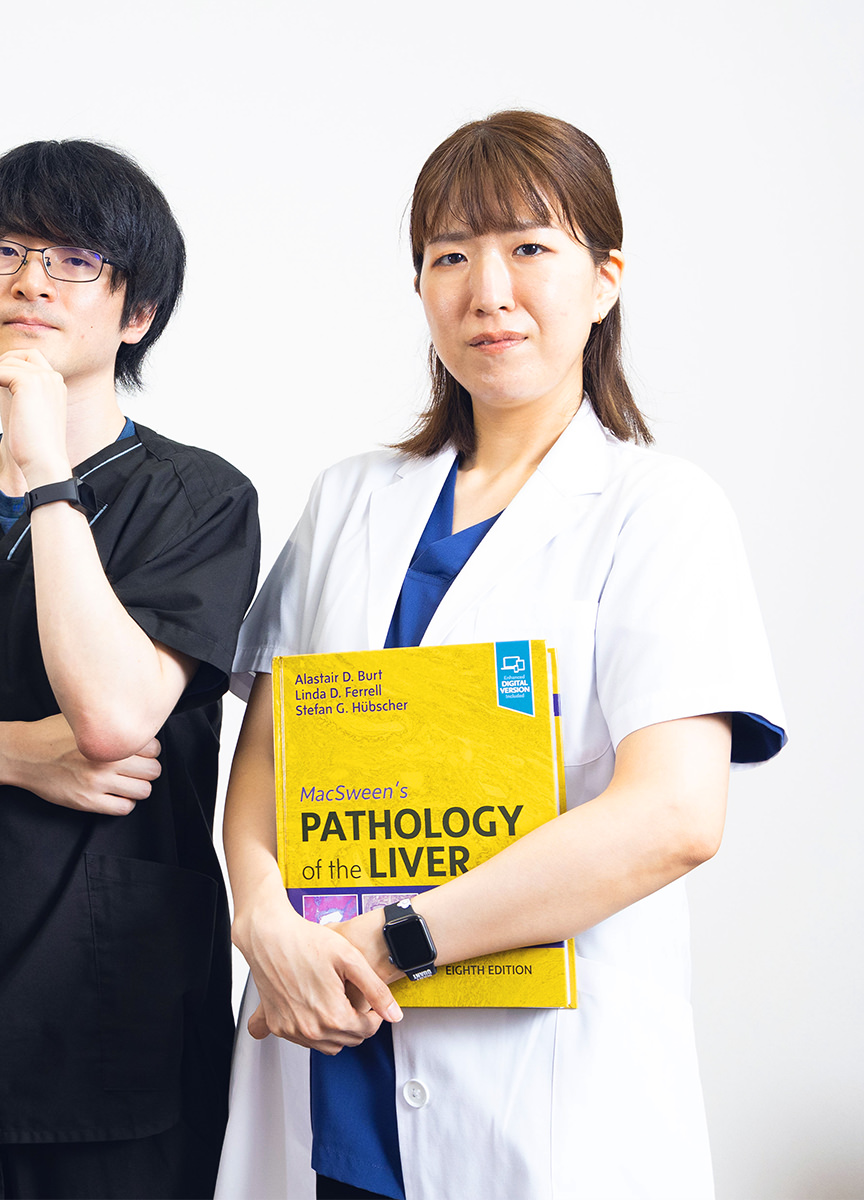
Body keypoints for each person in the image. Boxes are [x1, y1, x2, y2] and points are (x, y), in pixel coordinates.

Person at [214, 110, 788, 1200]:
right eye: (449, 256)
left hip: (539, 1089)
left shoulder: (658, 510)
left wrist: (398, 942)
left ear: (604, 280)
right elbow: (267, 767)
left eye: (528, 247)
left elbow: (673, 816)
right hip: (327, 1053)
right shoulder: (347, 501)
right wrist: (259, 919)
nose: (487, 290)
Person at [0, 140, 261, 1198]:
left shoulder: (198, 500)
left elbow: (115, 714)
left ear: (138, 312)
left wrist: (44, 469)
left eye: (74, 259)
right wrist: (11, 754)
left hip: (115, 1033)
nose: (29, 280)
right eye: (0, 251)